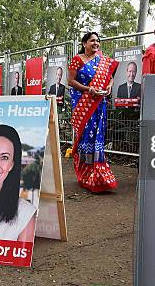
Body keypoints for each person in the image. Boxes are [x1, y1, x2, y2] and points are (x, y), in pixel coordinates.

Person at [67, 32, 119, 192]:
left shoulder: (103, 60)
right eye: (92, 41)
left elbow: (110, 77)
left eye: (98, 41)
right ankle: (85, 173)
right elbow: (70, 81)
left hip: (99, 104)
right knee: (85, 136)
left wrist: (109, 86)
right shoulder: (77, 60)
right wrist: (88, 89)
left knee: (98, 135)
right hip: (84, 104)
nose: (96, 43)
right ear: (84, 43)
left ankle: (98, 172)